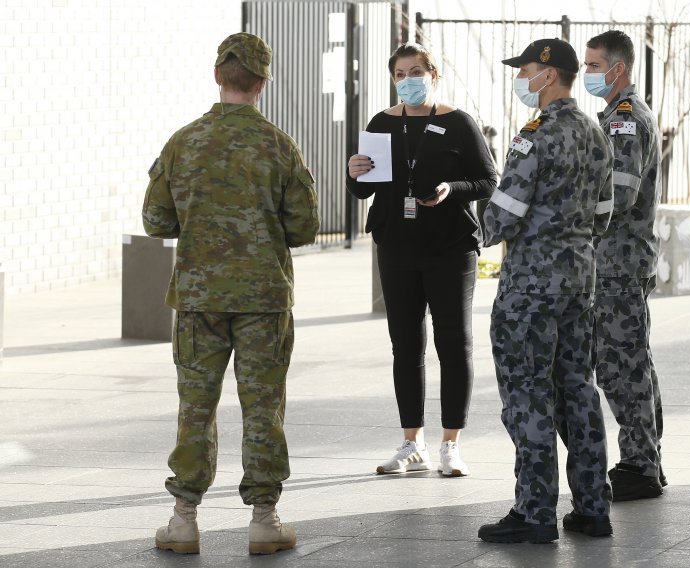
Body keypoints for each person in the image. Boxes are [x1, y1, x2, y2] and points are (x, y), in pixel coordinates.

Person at [142, 32, 320, 555]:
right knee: (263, 406)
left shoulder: (183, 141)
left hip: (199, 299)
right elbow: (306, 225)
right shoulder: (279, 144)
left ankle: (183, 520)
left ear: (218, 76)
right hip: (265, 298)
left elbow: (155, 220)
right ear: (263, 82)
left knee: (195, 406)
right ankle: (264, 520)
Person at [477, 38, 614, 544]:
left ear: (549, 74)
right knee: (577, 389)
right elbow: (605, 212)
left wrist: (471, 228)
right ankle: (593, 508)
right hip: (580, 280)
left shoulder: (534, 135)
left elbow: (503, 214)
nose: (521, 78)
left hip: (530, 287)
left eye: (526, 69)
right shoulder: (595, 133)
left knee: (528, 394)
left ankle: (535, 512)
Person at [346, 42, 497, 478]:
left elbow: (488, 179)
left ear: (434, 75)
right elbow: (362, 189)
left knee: (453, 344)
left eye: (416, 72)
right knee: (405, 347)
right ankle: (413, 443)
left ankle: (451, 444)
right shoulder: (380, 123)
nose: (408, 81)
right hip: (397, 245)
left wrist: (453, 188)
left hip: (450, 247)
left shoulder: (458, 123)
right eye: (400, 74)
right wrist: (354, 171)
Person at [584, 30, 665, 501]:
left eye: (595, 65)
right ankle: (648, 457)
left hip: (618, 260)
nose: (590, 73)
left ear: (619, 68)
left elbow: (620, 193)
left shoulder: (624, 121)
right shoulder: (618, 116)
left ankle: (639, 465)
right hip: (623, 259)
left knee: (620, 365)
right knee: (635, 361)